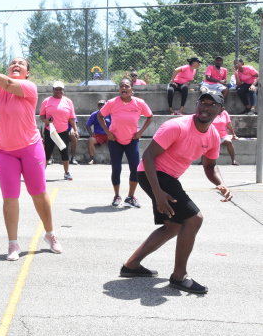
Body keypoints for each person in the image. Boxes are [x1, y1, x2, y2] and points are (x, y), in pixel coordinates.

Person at [120, 91, 232, 294]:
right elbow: (147, 157)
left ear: (221, 111)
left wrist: (221, 184)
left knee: (172, 226)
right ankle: (179, 277)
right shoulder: (177, 126)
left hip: (167, 179)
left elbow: (210, 167)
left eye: (212, 104)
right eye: (202, 102)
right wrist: (158, 192)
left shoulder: (213, 135)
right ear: (196, 105)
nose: (205, 107)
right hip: (153, 174)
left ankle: (131, 265)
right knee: (194, 218)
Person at [0, 58, 62, 260]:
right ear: (8, 70)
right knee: (10, 197)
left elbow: (6, 82)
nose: (16, 64)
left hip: (30, 148)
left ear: (27, 72)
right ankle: (13, 244)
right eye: (12, 63)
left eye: (21, 64)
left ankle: (50, 234)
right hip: (5, 151)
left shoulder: (28, 87)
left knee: (38, 193)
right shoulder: (0, 88)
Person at [98, 78, 154, 208]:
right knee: (116, 168)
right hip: (115, 140)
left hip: (132, 140)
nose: (124, 88)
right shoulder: (112, 103)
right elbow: (100, 116)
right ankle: (117, 196)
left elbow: (150, 117)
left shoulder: (139, 103)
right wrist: (108, 132)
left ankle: (130, 197)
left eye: (127, 86)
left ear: (132, 90)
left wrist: (140, 132)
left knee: (135, 169)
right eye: (121, 86)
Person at [40, 81, 77, 181]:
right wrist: (46, 120)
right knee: (47, 153)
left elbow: (72, 118)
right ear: (53, 90)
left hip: (63, 131)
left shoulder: (68, 101)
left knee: (65, 152)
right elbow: (42, 116)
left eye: (60, 89)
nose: (58, 91)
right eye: (56, 89)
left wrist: (75, 129)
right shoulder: (46, 101)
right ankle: (41, 174)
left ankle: (66, 173)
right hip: (50, 131)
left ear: (63, 90)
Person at [85, 99, 111, 164]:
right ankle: (92, 159)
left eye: (103, 105)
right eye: (100, 105)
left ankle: (113, 159)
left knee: (116, 142)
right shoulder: (94, 114)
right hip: (98, 135)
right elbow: (88, 125)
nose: (101, 106)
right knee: (90, 140)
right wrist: (91, 134)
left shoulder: (111, 114)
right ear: (98, 106)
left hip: (109, 134)